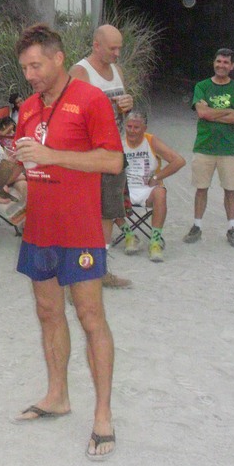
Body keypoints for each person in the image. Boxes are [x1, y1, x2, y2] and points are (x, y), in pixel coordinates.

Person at [6, 23, 124, 461]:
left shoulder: (90, 99)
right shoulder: (28, 108)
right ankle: (57, 395)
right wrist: (6, 181)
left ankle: (103, 415)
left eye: (36, 65)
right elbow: (26, 161)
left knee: (91, 317)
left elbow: (112, 160)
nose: (30, 75)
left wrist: (52, 156)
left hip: (80, 230)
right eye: (24, 68)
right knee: (47, 312)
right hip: (40, 228)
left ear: (58, 59)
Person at [69, 23, 134, 289]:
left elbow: (121, 111)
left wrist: (127, 106)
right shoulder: (80, 72)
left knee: (108, 213)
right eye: (112, 48)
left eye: (120, 48)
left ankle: (100, 270)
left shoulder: (117, 71)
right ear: (96, 46)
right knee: (84, 216)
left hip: (113, 153)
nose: (117, 53)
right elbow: (71, 115)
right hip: (89, 157)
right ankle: (76, 276)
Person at [184, 47, 234, 249]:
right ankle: (197, 225)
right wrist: (229, 110)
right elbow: (202, 114)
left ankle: (232, 228)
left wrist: (213, 113)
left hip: (230, 148)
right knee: (201, 188)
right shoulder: (202, 86)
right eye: (219, 61)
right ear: (214, 63)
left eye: (226, 62)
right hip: (205, 145)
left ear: (232, 66)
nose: (221, 65)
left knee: (230, 189)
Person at [121, 110, 185, 262]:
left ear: (144, 128)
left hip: (147, 188)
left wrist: (157, 177)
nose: (132, 131)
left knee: (161, 192)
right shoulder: (120, 142)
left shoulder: (150, 141)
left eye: (136, 127)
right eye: (129, 126)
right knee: (106, 192)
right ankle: (129, 235)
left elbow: (179, 161)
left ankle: (155, 242)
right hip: (125, 188)